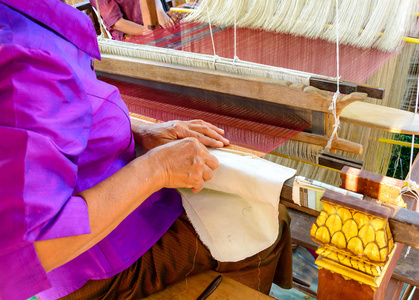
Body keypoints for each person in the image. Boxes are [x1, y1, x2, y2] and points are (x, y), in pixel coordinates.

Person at [0, 1, 293, 300]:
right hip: (99, 271)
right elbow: (28, 248)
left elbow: (46, 121)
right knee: (270, 219)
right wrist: (156, 169)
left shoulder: (20, 24)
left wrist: (138, 130)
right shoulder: (22, 49)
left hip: (106, 239)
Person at [90, 0, 176, 40]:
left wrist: (160, 12)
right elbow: (117, 23)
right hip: (131, 34)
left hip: (155, 22)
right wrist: (151, 32)